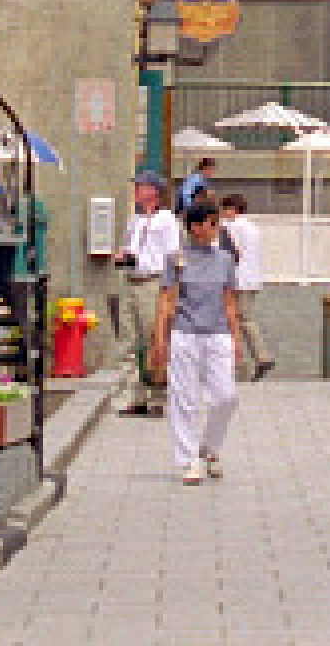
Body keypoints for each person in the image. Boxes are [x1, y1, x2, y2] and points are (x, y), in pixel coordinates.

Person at [150, 201, 243, 486]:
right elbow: (166, 301)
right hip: (185, 332)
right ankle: (188, 459)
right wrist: (159, 339)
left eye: (215, 223)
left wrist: (236, 339)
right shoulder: (176, 259)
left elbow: (229, 303)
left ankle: (210, 447)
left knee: (226, 397)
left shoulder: (225, 260)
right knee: (184, 398)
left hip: (217, 334)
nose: (211, 229)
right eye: (205, 223)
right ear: (192, 227)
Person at [116, 172, 181, 417]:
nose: (135, 191)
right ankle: (134, 396)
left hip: (153, 283)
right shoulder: (135, 220)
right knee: (128, 341)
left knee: (156, 340)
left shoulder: (166, 220)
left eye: (139, 187)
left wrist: (170, 291)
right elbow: (131, 247)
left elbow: (172, 255)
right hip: (130, 280)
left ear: (153, 191)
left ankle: (158, 396)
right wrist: (123, 256)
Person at [218, 194, 276, 381]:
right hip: (251, 279)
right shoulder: (252, 228)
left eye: (225, 209)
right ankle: (252, 360)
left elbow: (230, 252)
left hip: (238, 280)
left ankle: (259, 358)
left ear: (233, 210)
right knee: (241, 319)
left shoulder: (231, 227)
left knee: (239, 320)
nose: (223, 213)